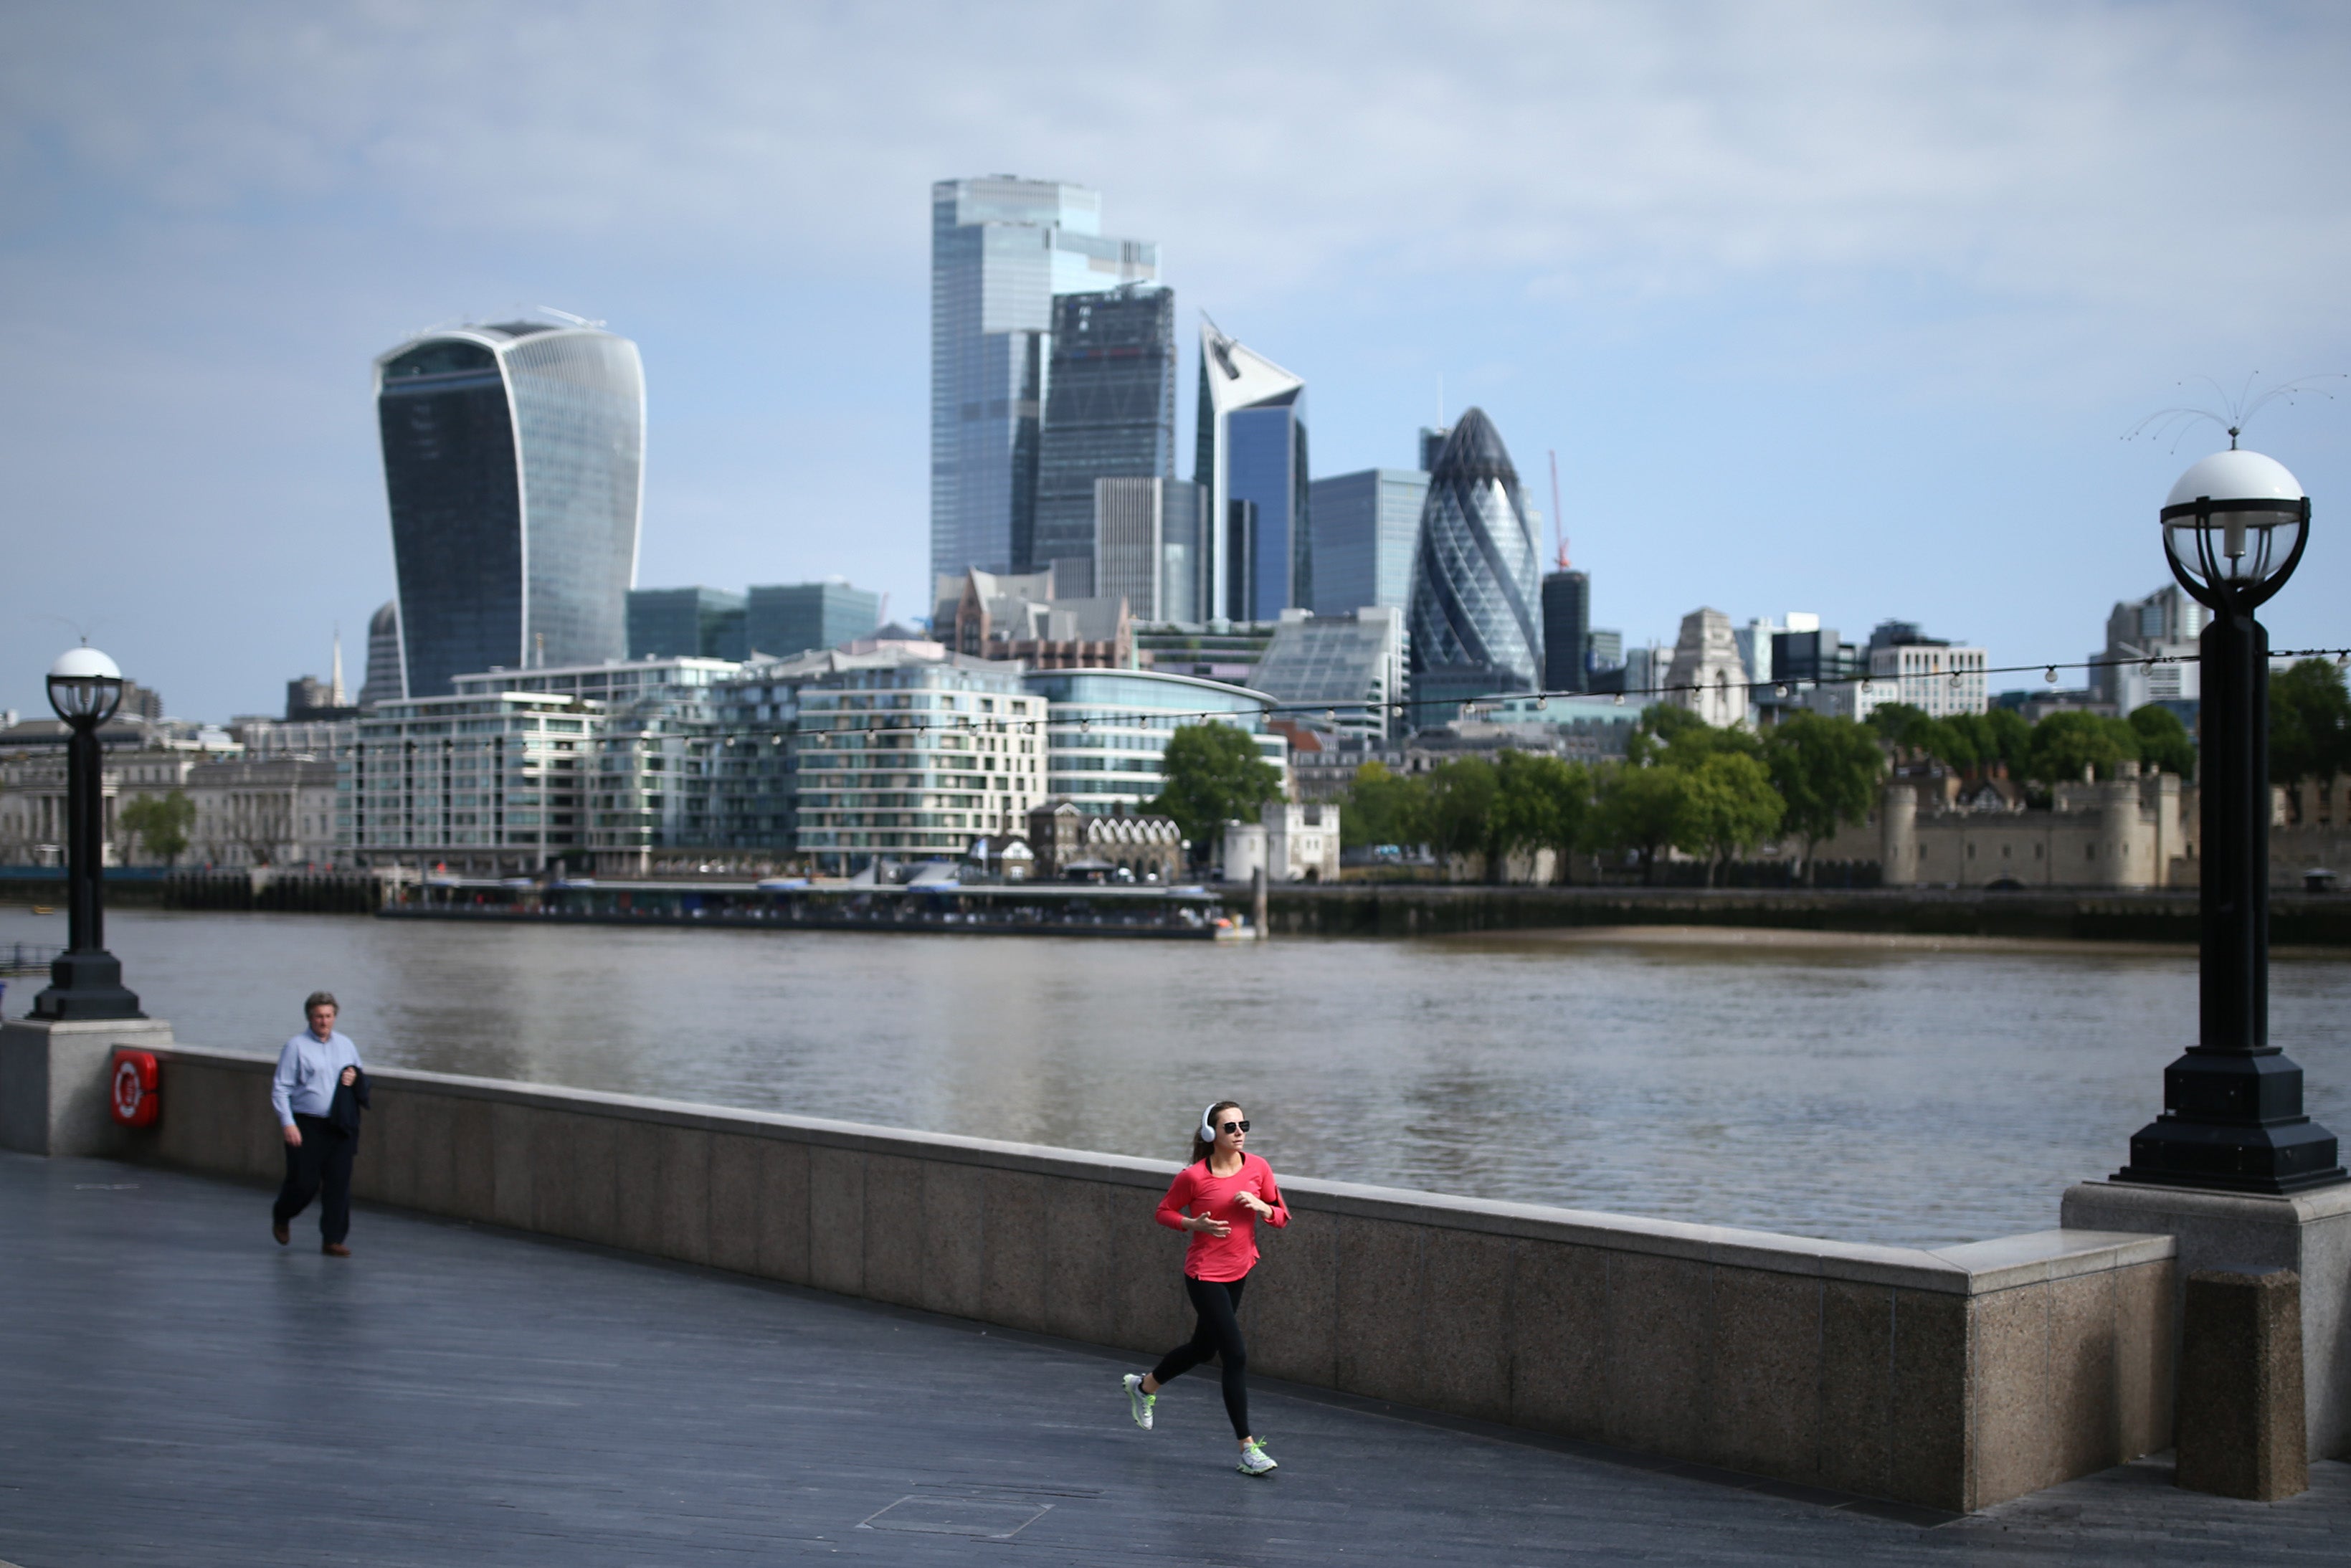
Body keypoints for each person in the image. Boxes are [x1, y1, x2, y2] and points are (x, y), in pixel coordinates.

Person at [1122, 1100, 1290, 1476]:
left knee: (1202, 1348)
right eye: (1230, 1127)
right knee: (1236, 1355)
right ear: (1212, 1134)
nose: (1240, 1132)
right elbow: (1163, 1212)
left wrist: (1262, 1207)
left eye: (1243, 1124)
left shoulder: (1259, 1168)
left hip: (1240, 1270)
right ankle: (1248, 1449)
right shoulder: (1194, 1177)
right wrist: (1193, 1225)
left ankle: (1144, 1387)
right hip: (1204, 1275)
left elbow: (1281, 1217)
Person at [270, 991, 366, 1257]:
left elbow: (360, 1077)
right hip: (306, 1125)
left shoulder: (346, 1045)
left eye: (328, 1016)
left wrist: (353, 1077)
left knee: (339, 1185)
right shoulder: (296, 1047)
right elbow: (280, 1089)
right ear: (309, 1018)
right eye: (318, 1017)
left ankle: (333, 1239)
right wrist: (288, 1124)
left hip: (339, 1126)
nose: (323, 1022)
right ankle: (282, 1214)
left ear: (335, 1017)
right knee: (304, 1183)